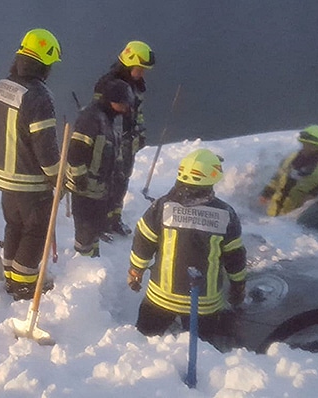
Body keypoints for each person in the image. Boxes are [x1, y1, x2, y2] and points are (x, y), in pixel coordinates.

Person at [127, 149, 247, 343]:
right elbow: (235, 257)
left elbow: (143, 241)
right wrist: (238, 285)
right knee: (202, 351)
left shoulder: (162, 207)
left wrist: (135, 271)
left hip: (161, 298)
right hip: (203, 303)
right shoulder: (225, 214)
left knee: (142, 342)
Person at [0, 29, 62, 300]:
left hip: (5, 175)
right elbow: (45, 145)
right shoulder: (39, 96)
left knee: (14, 225)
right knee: (36, 231)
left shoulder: (3, 86)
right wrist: (57, 177)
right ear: (45, 64)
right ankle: (23, 285)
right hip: (29, 179)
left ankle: (10, 274)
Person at [66, 79, 135, 257]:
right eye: (122, 104)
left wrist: (117, 172)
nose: (125, 108)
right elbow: (75, 151)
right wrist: (80, 177)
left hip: (99, 187)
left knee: (94, 227)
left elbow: (111, 149)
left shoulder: (109, 119)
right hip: (85, 187)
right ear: (111, 100)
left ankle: (92, 258)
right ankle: (83, 262)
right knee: (85, 229)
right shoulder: (91, 119)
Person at [93, 40, 155, 236]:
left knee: (121, 180)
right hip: (109, 142)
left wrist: (141, 133)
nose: (142, 73)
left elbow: (138, 112)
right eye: (140, 68)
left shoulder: (136, 85)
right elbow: (97, 115)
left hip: (128, 141)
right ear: (128, 64)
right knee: (106, 181)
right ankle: (100, 222)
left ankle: (114, 219)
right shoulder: (107, 84)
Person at [260, 125, 318, 216]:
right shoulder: (291, 157)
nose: (305, 147)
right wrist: (266, 193)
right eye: (304, 144)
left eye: (310, 145)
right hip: (273, 213)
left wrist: (313, 196)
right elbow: (277, 178)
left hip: (294, 222)